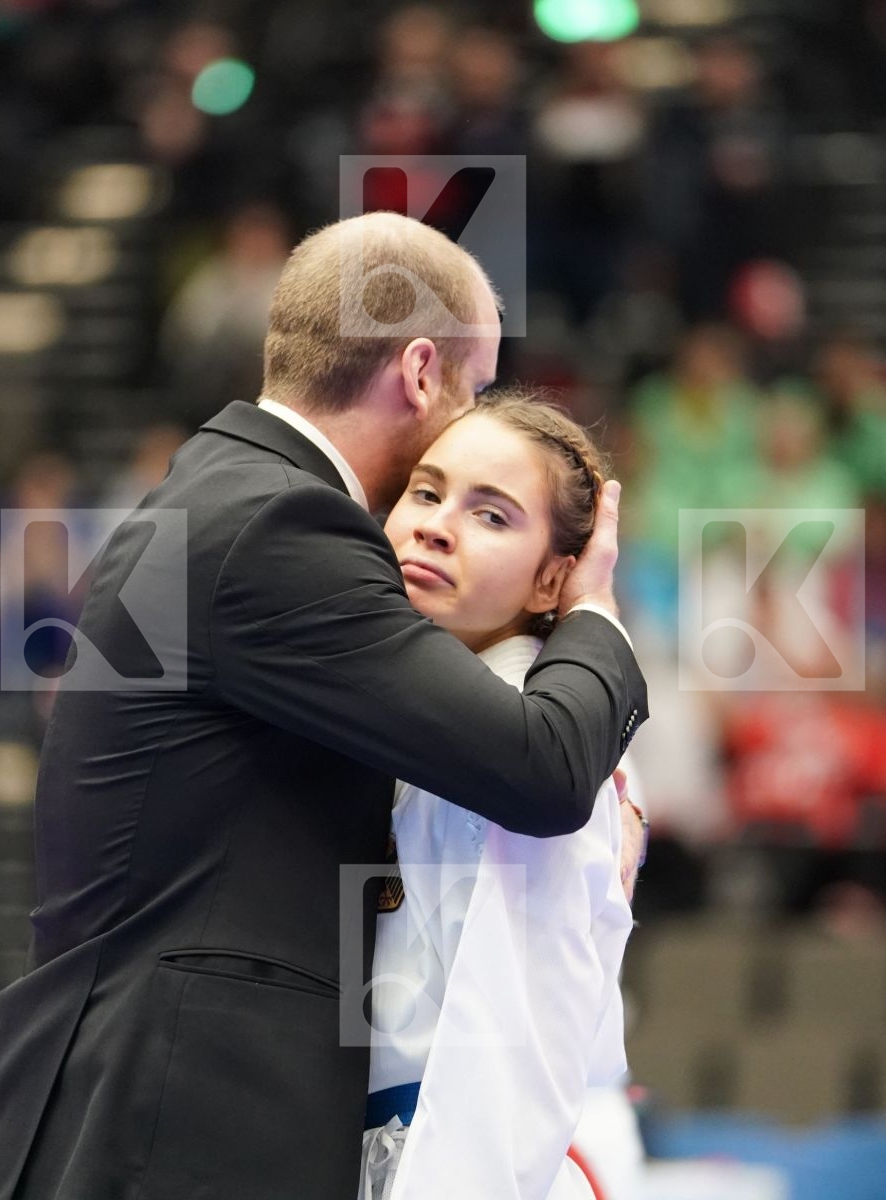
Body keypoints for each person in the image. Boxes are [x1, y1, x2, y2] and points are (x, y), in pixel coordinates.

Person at [0, 212, 649, 1200]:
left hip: (113, 1107)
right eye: (476, 388)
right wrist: (598, 613)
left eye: (489, 511)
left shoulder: (217, 495)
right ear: (419, 372)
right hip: (161, 1130)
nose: (473, 424)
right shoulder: (280, 524)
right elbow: (542, 767)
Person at [358, 396, 640, 1200]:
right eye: (425, 491)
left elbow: (514, 1029)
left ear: (553, 577)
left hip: (457, 1157)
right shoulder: (420, 710)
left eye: (492, 515)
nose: (436, 527)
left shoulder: (528, 745)